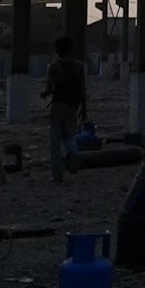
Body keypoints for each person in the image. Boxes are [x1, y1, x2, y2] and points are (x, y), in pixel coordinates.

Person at [40, 36, 88, 183]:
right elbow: (82, 89)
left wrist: (43, 94)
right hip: (73, 106)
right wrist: (84, 109)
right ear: (71, 49)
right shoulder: (79, 66)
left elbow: (50, 89)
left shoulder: (53, 67)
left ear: (57, 51)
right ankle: (73, 154)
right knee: (70, 136)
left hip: (58, 106)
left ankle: (57, 175)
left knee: (55, 140)